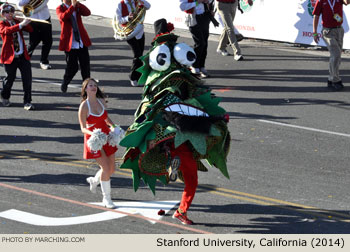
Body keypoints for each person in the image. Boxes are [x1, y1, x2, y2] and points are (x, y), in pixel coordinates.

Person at [78, 78, 119, 209]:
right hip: (95, 140)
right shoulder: (84, 106)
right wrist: (93, 134)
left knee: (111, 169)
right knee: (106, 168)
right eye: (91, 85)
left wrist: (114, 127)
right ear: (85, 89)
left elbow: (105, 118)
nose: (94, 87)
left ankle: (94, 180)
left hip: (107, 137)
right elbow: (83, 128)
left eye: (95, 85)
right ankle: (106, 198)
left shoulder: (101, 102)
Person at [0, 3, 34, 110]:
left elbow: (30, 30)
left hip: (22, 56)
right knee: (9, 79)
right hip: (10, 57)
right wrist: (20, 24)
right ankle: (5, 96)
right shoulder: (2, 23)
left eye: (11, 11)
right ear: (2, 14)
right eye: (6, 12)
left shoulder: (17, 21)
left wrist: (23, 20)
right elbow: (6, 31)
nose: (10, 14)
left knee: (27, 79)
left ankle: (27, 102)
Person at [313, 0, 350, 91]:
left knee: (336, 56)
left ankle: (331, 78)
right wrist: (314, 33)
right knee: (336, 54)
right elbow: (316, 16)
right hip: (328, 31)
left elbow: (347, 2)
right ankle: (335, 80)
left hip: (339, 30)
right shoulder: (321, 1)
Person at [56, 0, 91, 93]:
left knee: (85, 66)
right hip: (70, 42)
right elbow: (63, 17)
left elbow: (88, 13)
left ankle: (87, 87)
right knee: (72, 66)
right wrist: (72, 7)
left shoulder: (77, 6)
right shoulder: (60, 8)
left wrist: (78, 5)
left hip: (81, 40)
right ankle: (65, 81)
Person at [115, 0, 151, 86]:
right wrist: (128, 18)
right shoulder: (120, 4)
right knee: (137, 54)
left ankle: (138, 77)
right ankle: (133, 77)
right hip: (129, 32)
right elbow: (118, 20)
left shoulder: (137, 2)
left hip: (139, 31)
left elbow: (148, 6)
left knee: (141, 55)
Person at [180, 0, 216, 78]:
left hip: (204, 17)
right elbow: (182, 7)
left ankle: (201, 66)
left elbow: (211, 2)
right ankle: (194, 66)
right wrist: (197, 2)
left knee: (205, 44)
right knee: (200, 43)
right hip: (194, 19)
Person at [18, 0, 53, 70]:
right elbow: (19, 3)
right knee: (33, 42)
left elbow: (45, 1)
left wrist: (30, 9)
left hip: (44, 17)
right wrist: (27, 8)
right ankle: (25, 60)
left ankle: (44, 61)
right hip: (32, 19)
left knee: (48, 41)